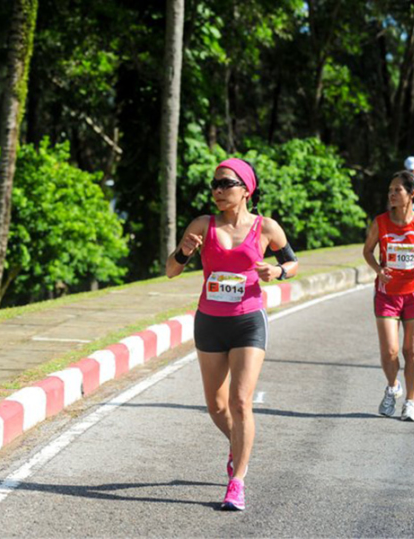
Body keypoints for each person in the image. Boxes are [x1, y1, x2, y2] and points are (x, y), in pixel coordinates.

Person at [166, 158, 298, 511]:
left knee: (240, 402)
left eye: (226, 184)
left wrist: (278, 271)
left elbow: (293, 262)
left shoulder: (266, 227)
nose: (218, 191)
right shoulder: (201, 225)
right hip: (209, 321)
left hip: (248, 320)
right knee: (217, 405)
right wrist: (184, 253)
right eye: (215, 185)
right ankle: (239, 443)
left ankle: (236, 482)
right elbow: (170, 271)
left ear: (246, 189)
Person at [362, 170, 414, 422]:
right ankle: (393, 386)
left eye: (397, 190)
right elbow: (367, 251)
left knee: (413, 351)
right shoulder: (381, 222)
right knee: (390, 351)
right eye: (390, 190)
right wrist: (378, 269)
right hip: (387, 294)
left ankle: (410, 402)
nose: (392, 194)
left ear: (412, 194)